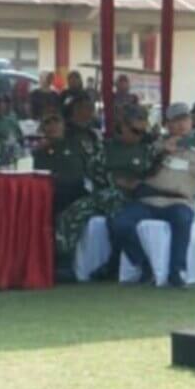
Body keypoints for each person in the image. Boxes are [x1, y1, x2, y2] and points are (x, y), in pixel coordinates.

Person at [111, 102, 195, 288]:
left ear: (191, 121)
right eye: (175, 121)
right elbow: (142, 170)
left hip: (179, 200)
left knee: (183, 219)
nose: (181, 125)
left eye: (184, 119)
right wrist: (161, 152)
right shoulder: (156, 145)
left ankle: (176, 271)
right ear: (167, 125)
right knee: (118, 223)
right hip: (150, 199)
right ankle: (143, 265)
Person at [54, 103, 159, 281]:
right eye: (135, 131)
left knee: (111, 211)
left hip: (133, 199)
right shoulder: (105, 148)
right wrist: (114, 181)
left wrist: (135, 183)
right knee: (72, 212)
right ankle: (65, 263)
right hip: (105, 195)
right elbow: (93, 171)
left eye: (143, 132)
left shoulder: (148, 151)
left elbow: (154, 178)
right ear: (122, 127)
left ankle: (115, 262)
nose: (140, 136)